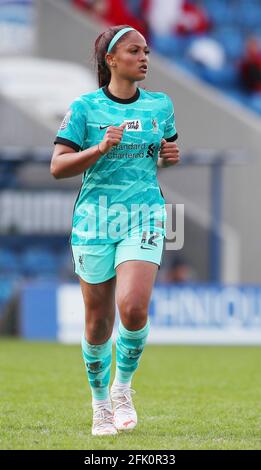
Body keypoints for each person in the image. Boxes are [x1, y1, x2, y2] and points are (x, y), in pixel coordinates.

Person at [50, 25, 180, 436]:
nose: (144, 58)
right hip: (95, 220)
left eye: (146, 51)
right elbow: (57, 166)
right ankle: (100, 402)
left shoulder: (160, 106)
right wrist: (99, 148)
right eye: (134, 51)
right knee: (97, 322)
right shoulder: (85, 108)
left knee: (135, 306)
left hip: (145, 215)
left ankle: (122, 389)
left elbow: (165, 155)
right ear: (111, 59)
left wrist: (170, 157)